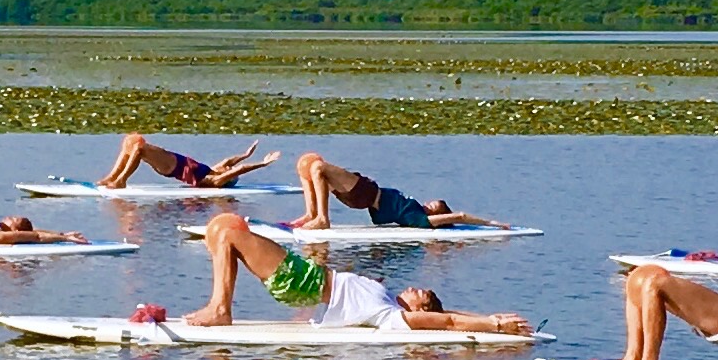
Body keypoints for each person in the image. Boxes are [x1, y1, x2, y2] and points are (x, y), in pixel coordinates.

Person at [185, 211, 532, 333]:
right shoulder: (390, 302)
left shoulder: (392, 316)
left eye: (419, 294)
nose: (414, 287)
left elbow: (448, 323)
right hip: (304, 277)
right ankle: (220, 304)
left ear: (417, 310)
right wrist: (488, 315)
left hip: (301, 281)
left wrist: (495, 327)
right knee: (223, 226)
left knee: (230, 234)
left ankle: (220, 309)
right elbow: (451, 314)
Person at [290, 152, 505, 230]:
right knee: (306, 167)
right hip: (359, 195)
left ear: (436, 215)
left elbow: (460, 216)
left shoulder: (418, 218)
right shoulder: (416, 209)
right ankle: (311, 213)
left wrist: (492, 224)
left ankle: (322, 218)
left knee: (318, 166)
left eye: (436, 206)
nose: (431, 202)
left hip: (365, 193)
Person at [95, 134, 282, 191]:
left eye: (228, 171)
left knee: (139, 148)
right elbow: (229, 162)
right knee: (132, 142)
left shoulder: (215, 181)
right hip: (175, 158)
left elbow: (238, 169)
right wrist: (246, 153)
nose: (227, 167)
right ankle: (112, 177)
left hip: (172, 167)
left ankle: (121, 181)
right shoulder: (214, 170)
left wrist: (263, 164)